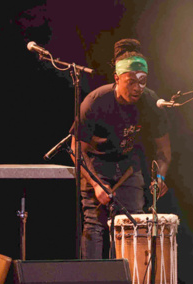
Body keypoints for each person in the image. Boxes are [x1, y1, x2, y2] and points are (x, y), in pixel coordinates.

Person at [73, 38, 171, 259]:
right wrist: (96, 185)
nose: (137, 88)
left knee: (132, 225)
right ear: (117, 78)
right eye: (131, 82)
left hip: (128, 167)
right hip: (95, 166)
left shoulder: (151, 103)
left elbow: (163, 150)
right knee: (95, 226)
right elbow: (77, 149)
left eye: (142, 82)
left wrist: (160, 176)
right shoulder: (95, 101)